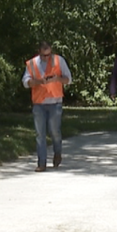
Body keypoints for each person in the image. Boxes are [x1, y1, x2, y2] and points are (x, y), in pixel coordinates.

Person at [23, 41, 72, 172]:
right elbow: (25, 82)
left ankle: (57, 153)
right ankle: (42, 163)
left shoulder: (58, 60)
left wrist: (58, 79)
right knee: (40, 134)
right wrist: (37, 82)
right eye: (44, 55)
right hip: (39, 104)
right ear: (39, 52)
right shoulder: (32, 63)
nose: (47, 57)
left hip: (55, 103)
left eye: (49, 54)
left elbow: (68, 79)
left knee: (55, 132)